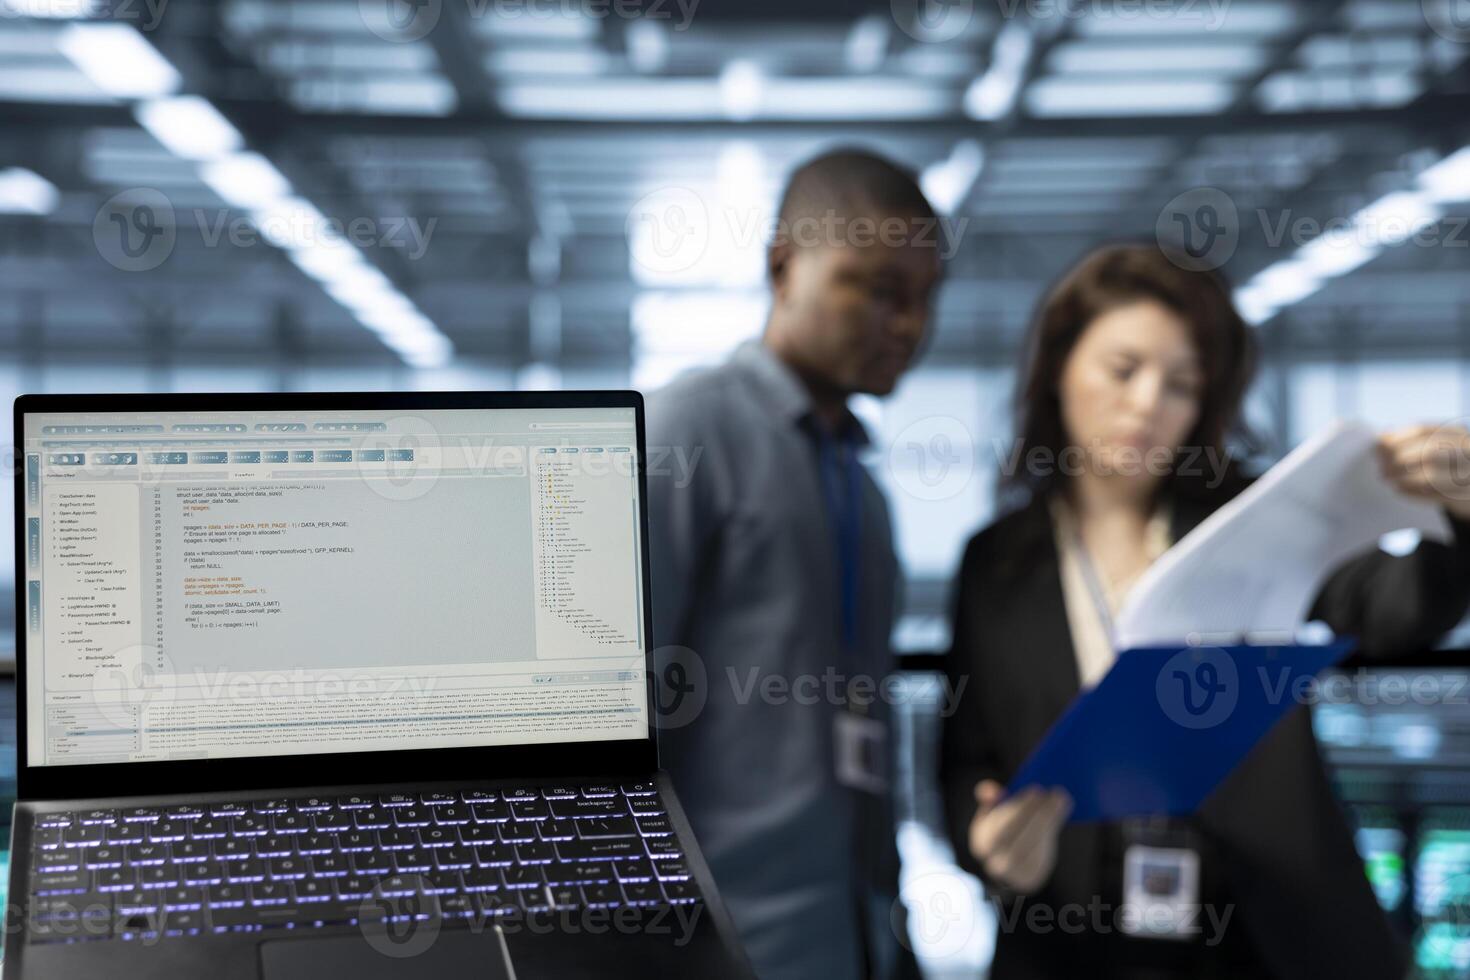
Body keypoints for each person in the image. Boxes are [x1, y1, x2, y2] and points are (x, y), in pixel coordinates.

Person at [940, 243, 1470, 980]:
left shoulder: (1254, 517)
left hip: (1260, 936)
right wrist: (988, 838)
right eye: (1123, 370)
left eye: (1182, 385)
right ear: (1059, 366)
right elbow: (968, 757)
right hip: (1071, 941)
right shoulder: (995, 563)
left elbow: (1392, 612)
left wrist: (1462, 516)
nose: (1149, 404)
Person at [646, 149, 944, 980]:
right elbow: (620, 725)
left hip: (858, 937)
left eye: (926, 298)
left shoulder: (860, 484)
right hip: (723, 943)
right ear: (785, 267)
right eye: (880, 290)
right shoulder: (687, 435)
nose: (911, 326)